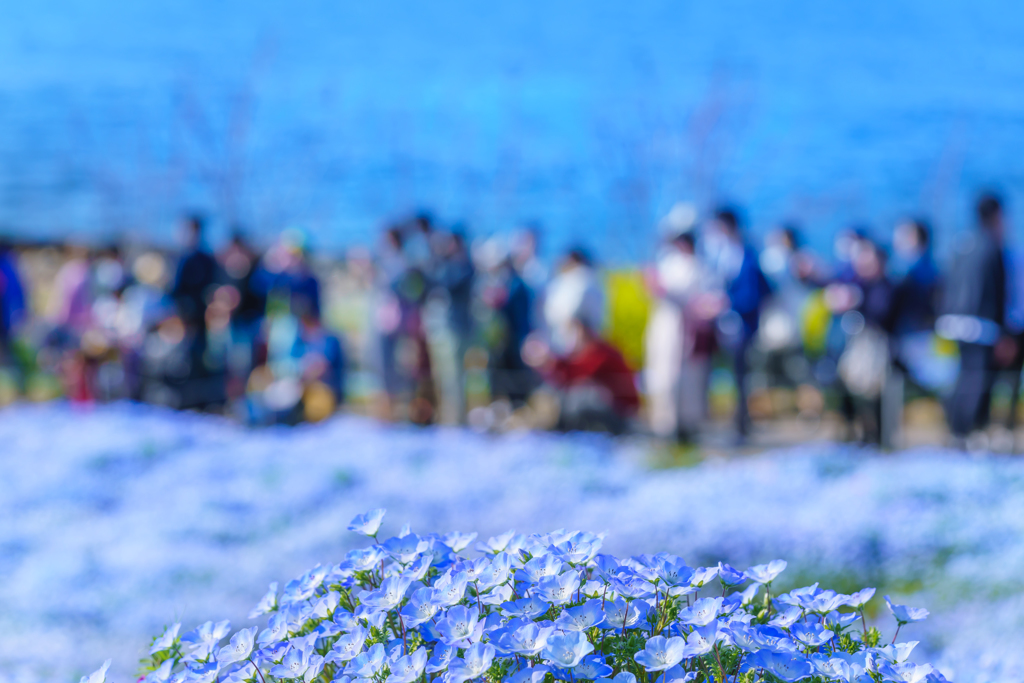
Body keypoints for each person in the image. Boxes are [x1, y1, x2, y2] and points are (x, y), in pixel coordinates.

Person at [937, 193, 1014, 443]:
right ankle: (969, 431)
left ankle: (955, 428)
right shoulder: (993, 245)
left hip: (954, 321)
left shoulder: (962, 244)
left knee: (963, 375)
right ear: (996, 215)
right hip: (982, 324)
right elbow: (1001, 291)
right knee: (978, 379)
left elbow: (947, 283)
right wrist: (1004, 333)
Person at [644, 203, 712, 442]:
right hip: (664, 328)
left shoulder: (698, 266)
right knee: (661, 377)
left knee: (685, 380)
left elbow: (694, 300)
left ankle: (686, 427)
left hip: (684, 331)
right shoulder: (668, 262)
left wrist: (663, 290)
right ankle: (665, 426)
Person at [706, 207, 771, 441]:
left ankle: (742, 426)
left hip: (743, 324)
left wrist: (727, 302)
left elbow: (755, 292)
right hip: (728, 324)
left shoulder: (746, 253)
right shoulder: (723, 252)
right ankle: (737, 423)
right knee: (734, 376)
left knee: (741, 375)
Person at [524, 314, 639, 434]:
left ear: (582, 330)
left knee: (577, 400)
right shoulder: (594, 350)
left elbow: (575, 373)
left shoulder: (600, 352)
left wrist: (549, 361)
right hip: (618, 409)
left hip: (622, 413)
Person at [170, 213, 223, 409]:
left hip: (205, 320)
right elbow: (175, 291)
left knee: (203, 359)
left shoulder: (206, 259)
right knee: (184, 361)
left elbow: (214, 287)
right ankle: (184, 402)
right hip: (186, 320)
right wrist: (183, 315)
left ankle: (200, 403)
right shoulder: (182, 258)